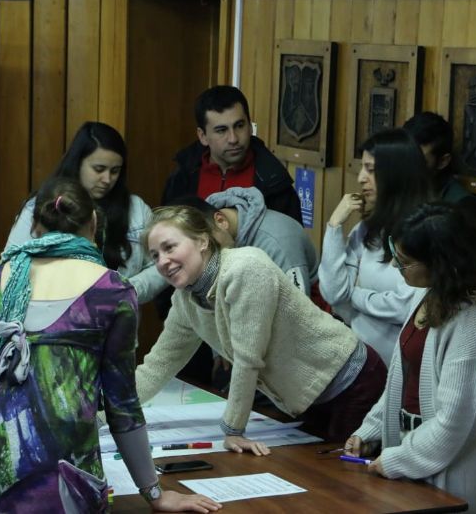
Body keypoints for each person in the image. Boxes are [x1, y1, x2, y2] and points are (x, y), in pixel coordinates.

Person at [0, 177, 221, 513]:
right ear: (95, 222)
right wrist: (154, 493)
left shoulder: (0, 278)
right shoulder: (112, 292)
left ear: (35, 226)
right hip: (61, 479)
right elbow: (121, 403)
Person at [135, 206, 387, 447]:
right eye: (155, 255)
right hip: (309, 397)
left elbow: (248, 358)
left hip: (352, 381)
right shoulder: (185, 299)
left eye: (170, 247)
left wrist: (233, 430)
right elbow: (158, 364)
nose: (163, 261)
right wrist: (104, 412)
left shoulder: (245, 268)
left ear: (202, 241)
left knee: (344, 479)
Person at [345, 202, 476, 514]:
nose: (395, 268)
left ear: (439, 263)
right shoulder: (426, 294)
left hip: (452, 477)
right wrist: (369, 431)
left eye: (404, 262)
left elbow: (454, 423)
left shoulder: (474, 320)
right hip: (410, 457)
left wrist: (396, 459)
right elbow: (401, 383)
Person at [5, 121, 167, 303]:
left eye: (115, 171)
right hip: (50, 318)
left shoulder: (136, 210)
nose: (107, 179)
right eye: (99, 169)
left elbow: (162, 264)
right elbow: (11, 267)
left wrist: (125, 291)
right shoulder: (42, 206)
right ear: (77, 163)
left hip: (118, 320)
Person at [318, 128, 433, 365]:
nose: (360, 178)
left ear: (395, 174)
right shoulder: (367, 229)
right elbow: (333, 293)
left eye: (370, 170)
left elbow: (405, 306)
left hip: (400, 367)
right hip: (358, 361)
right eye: (362, 168)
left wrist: (356, 296)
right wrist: (334, 225)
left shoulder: (425, 232)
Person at [161, 85, 302, 223]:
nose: (233, 139)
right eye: (221, 130)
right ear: (203, 136)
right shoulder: (181, 179)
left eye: (239, 126)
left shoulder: (275, 182)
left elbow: (289, 241)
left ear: (249, 126)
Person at [180, 187, 319, 296]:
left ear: (221, 221)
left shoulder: (279, 243)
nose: (208, 257)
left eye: (208, 244)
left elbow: (297, 314)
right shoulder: (206, 221)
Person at [402, 112, 476, 232]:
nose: (408, 165)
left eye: (418, 160)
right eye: (404, 156)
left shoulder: (462, 207)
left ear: (443, 161)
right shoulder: (400, 190)